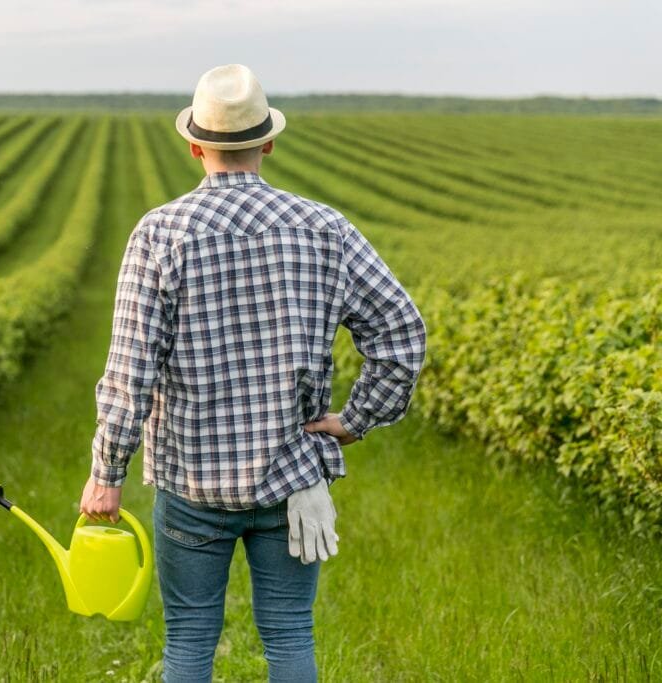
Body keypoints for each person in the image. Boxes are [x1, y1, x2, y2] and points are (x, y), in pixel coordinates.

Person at [79, 64, 427, 682]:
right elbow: (402, 334)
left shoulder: (160, 234)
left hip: (190, 483)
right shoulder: (325, 228)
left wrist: (107, 474)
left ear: (194, 145)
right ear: (268, 142)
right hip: (292, 476)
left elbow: (129, 369)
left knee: (188, 642)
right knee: (291, 634)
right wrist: (355, 420)